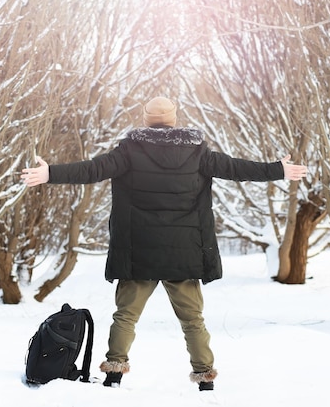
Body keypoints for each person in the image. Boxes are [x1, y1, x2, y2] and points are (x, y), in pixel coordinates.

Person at [21, 97, 308, 391]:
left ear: (146, 119)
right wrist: (278, 170)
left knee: (126, 316)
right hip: (183, 253)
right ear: (173, 119)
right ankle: (205, 379)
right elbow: (237, 169)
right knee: (192, 320)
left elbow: (93, 170)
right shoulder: (198, 152)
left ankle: (114, 375)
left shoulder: (129, 151)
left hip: (138, 251)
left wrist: (50, 173)